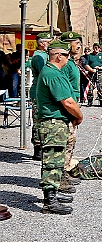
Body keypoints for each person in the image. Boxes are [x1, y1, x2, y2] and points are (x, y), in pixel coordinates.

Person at [35, 41, 83, 214]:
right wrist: (79, 116)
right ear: (59, 56)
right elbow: (68, 102)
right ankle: (49, 202)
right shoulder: (52, 73)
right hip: (52, 124)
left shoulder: (53, 71)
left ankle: (53, 193)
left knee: (56, 162)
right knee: (52, 162)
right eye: (67, 55)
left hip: (55, 123)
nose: (69, 59)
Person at [59, 31, 83, 194]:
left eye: (79, 42)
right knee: (64, 143)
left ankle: (65, 172)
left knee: (70, 142)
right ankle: (59, 178)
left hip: (73, 104)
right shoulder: (66, 64)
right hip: (67, 107)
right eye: (75, 42)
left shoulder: (72, 63)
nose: (79, 45)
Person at [29, 32, 53, 161]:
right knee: (38, 120)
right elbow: (45, 72)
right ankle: (38, 148)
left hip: (44, 92)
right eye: (49, 42)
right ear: (43, 43)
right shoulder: (39, 56)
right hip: (39, 92)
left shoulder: (45, 55)